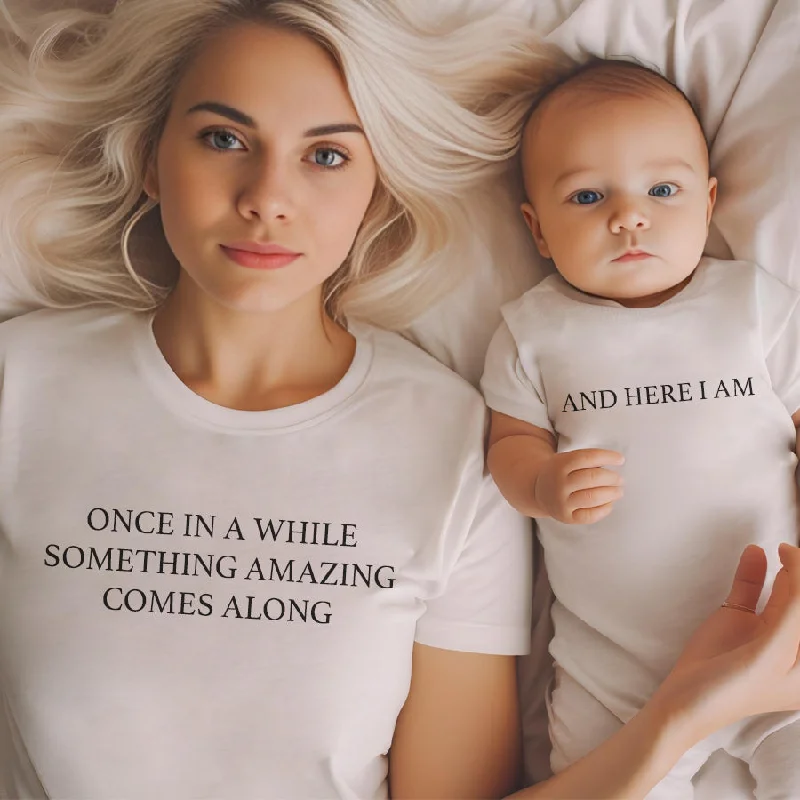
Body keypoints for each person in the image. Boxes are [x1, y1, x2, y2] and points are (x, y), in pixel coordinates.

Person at [0, 3, 799, 798]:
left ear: (375, 185)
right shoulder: (22, 382)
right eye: (223, 138)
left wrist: (691, 713)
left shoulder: (450, 440)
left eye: (326, 156)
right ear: (152, 157)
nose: (267, 197)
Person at [482, 58, 800, 797]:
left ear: (709, 200)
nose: (629, 216)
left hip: (777, 630)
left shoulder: (753, 305)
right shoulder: (533, 332)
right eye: (588, 196)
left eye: (662, 190)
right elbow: (510, 447)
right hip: (614, 664)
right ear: (537, 229)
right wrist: (543, 482)